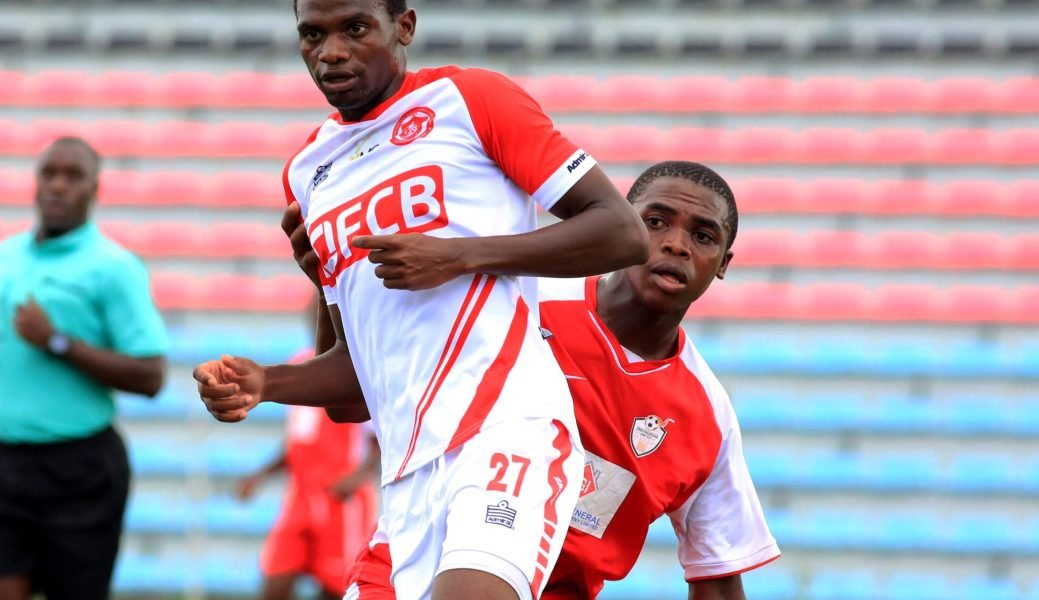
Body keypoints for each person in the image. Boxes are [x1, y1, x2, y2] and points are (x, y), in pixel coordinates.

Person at [193, 0, 649, 597]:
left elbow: (623, 232)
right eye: (312, 34)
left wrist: (460, 255)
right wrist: (267, 383)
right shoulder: (308, 171)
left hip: (505, 432)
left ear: (403, 26)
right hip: (406, 475)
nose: (330, 52)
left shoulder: (471, 100)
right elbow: (356, 393)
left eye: (355, 28)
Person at [301, 161, 781, 599]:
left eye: (703, 236)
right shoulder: (519, 300)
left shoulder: (708, 417)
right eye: (655, 222)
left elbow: (717, 578)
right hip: (411, 571)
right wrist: (328, 282)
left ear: (722, 264)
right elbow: (353, 396)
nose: (676, 244)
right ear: (623, 226)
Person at [0, 137, 169, 600]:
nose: (57, 186)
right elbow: (15, 361)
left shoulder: (114, 267)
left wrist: (58, 342)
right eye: (49, 174)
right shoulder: (1, 258)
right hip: (3, 462)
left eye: (72, 176)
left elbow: (151, 376)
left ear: (95, 190)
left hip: (81, 468)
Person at [237, 350, 381, 600]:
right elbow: (299, 441)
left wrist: (356, 478)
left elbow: (378, 440)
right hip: (300, 497)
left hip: (339, 501)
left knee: (339, 590)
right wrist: (260, 476)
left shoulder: (358, 363)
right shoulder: (299, 364)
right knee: (275, 583)